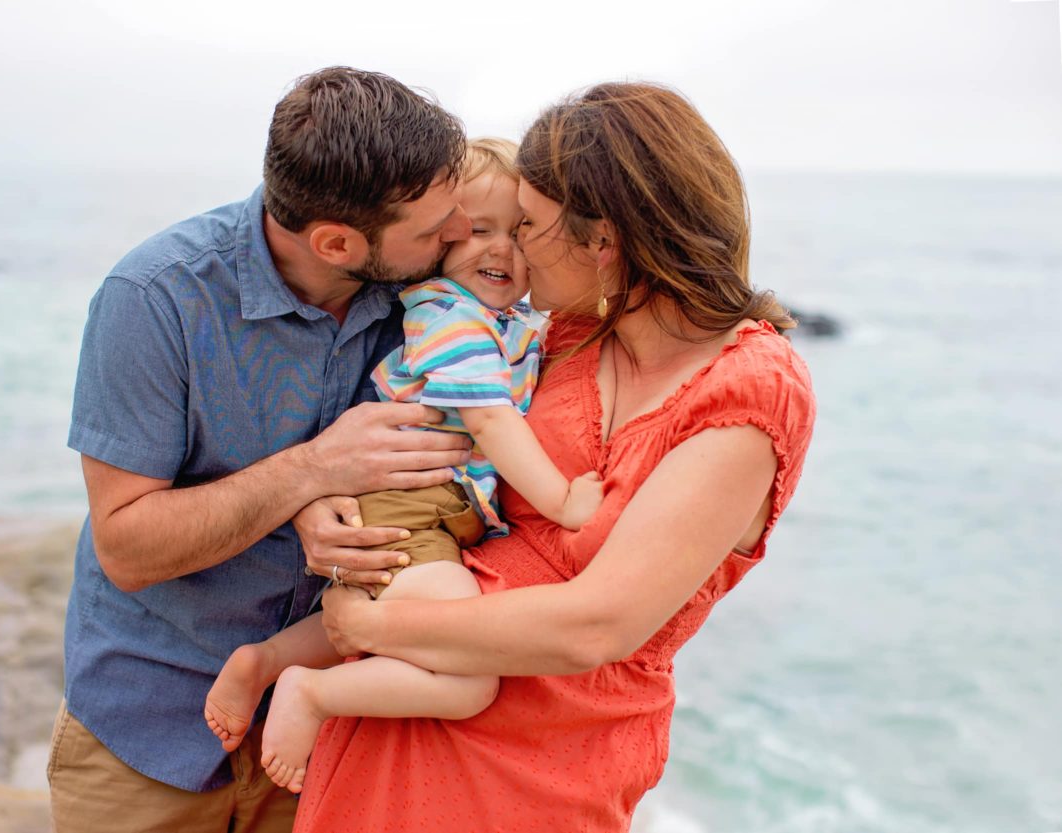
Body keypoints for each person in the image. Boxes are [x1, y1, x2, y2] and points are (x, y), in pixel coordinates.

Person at [289, 81, 818, 832]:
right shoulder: (563, 336)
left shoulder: (746, 391)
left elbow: (597, 626)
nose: (513, 248)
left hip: (538, 768)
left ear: (601, 241)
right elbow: (414, 426)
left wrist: (366, 630)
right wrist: (326, 506)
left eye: (529, 223)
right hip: (397, 711)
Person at [46, 67, 477, 833]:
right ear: (338, 242)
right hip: (148, 729)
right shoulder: (154, 298)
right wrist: (311, 470)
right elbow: (127, 545)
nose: (457, 236)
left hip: (334, 728)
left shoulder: (434, 297)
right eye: (432, 226)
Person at [203, 138, 606, 794]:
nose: (500, 249)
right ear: (440, 243)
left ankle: (267, 659)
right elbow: (488, 419)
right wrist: (562, 503)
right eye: (477, 230)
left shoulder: (507, 320)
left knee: (366, 609)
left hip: (426, 509)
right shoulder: (451, 318)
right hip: (411, 502)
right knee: (470, 677)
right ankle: (311, 692)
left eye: (519, 232)